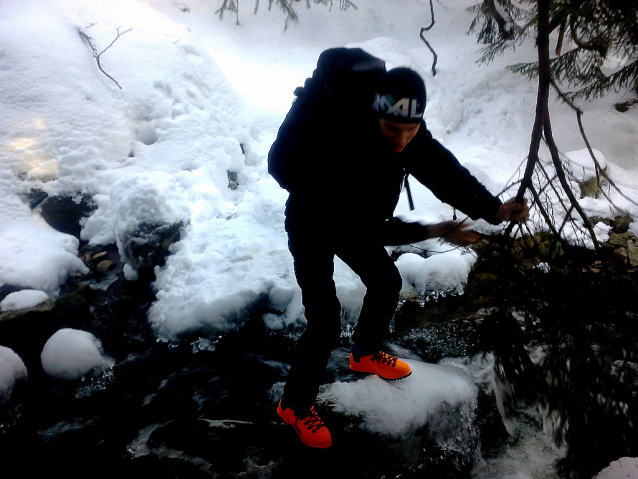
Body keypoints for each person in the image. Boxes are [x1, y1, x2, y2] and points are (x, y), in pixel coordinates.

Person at [268, 49, 528, 449]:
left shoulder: (405, 129)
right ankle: (294, 405)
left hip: (356, 219)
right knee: (324, 321)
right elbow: (369, 226)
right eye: (393, 131)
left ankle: (365, 352)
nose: (402, 141)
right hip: (312, 219)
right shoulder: (342, 128)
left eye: (411, 131)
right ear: (376, 113)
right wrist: (433, 229)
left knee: (386, 282)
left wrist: (493, 208)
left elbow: (443, 169)